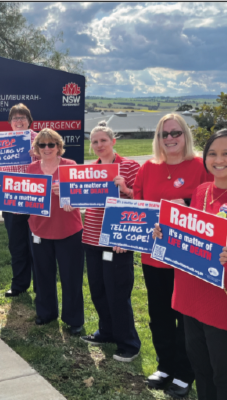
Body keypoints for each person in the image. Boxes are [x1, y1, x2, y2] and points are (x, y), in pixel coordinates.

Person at [153, 129, 227, 400]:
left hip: (226, 305)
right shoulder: (201, 192)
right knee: (201, 370)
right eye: (212, 153)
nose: (218, 159)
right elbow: (191, 237)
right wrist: (166, 233)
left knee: (226, 376)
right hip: (191, 299)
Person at [133, 113, 212, 398]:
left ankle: (184, 371)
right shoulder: (148, 168)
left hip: (188, 257)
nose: (169, 139)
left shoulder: (201, 166)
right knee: (159, 313)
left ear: (185, 135)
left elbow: (216, 204)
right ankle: (165, 365)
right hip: (154, 256)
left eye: (175, 133)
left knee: (185, 317)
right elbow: (138, 206)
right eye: (164, 134)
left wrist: (188, 203)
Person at [80, 121, 142, 362]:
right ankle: (106, 331)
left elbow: (142, 200)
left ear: (113, 141)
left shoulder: (129, 166)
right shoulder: (90, 169)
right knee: (98, 289)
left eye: (103, 140)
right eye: (94, 142)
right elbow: (79, 196)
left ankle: (129, 343)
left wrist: (126, 189)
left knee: (118, 292)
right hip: (92, 237)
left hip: (117, 239)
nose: (98, 145)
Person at [26, 128, 84, 333]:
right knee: (42, 275)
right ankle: (46, 313)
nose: (47, 148)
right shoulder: (31, 169)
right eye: (42, 145)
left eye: (51, 144)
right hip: (39, 229)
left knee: (71, 276)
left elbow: (82, 195)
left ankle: (74, 319)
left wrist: (69, 195)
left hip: (68, 229)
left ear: (59, 147)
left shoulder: (71, 166)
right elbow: (25, 197)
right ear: (37, 148)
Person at [0, 104, 39, 297]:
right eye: (15, 118)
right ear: (10, 122)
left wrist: (38, 157)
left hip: (34, 201)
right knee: (16, 245)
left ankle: (40, 286)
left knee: (37, 246)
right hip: (11, 201)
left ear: (29, 121)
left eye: (22, 117)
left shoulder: (40, 139)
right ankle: (19, 284)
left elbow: (55, 165)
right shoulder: (1, 141)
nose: (19, 121)